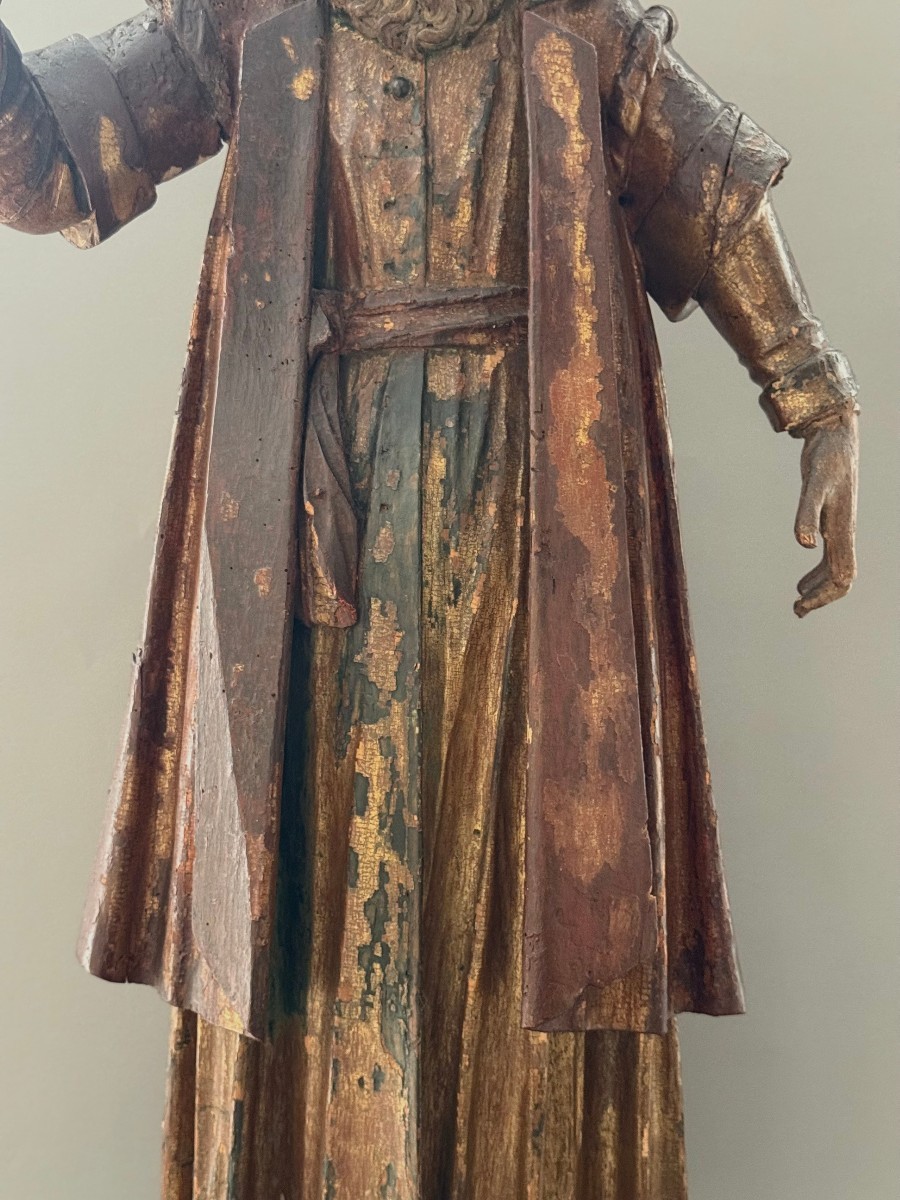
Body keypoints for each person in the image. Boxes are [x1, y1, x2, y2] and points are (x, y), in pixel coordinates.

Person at [0, 2, 859, 1196]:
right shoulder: (247, 18)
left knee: (539, 877)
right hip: (310, 533)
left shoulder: (572, 22)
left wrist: (815, 395)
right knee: (311, 881)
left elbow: (710, 190)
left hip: (532, 520)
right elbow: (47, 165)